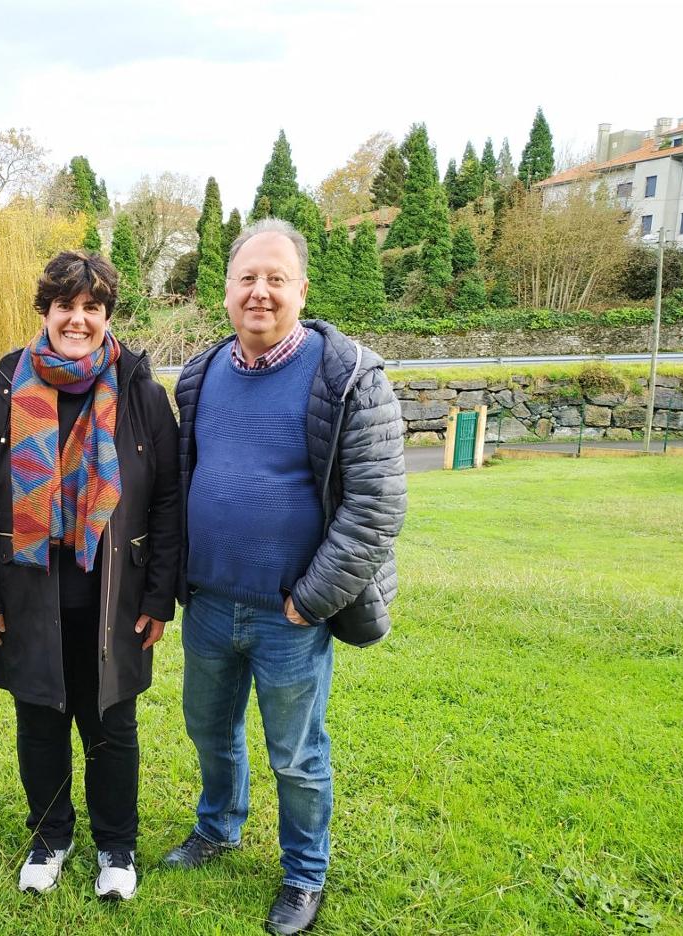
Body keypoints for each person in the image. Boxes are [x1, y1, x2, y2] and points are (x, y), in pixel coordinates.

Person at [164, 219, 407, 935]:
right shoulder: (200, 375)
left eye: (276, 278)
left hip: (290, 614)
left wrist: (309, 602)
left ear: (302, 288)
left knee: (297, 755)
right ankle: (217, 827)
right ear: (228, 290)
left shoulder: (351, 376)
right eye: (247, 278)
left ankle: (304, 873)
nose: (260, 292)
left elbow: (375, 506)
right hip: (209, 602)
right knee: (210, 732)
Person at [0, 251, 179, 901]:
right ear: (46, 311)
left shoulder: (140, 390)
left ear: (107, 314)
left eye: (92, 308)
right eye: (65, 307)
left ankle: (117, 845)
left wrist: (161, 596)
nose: (77, 319)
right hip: (29, 591)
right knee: (41, 719)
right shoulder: (8, 386)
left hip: (117, 593)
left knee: (113, 722)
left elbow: (167, 499)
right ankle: (50, 836)